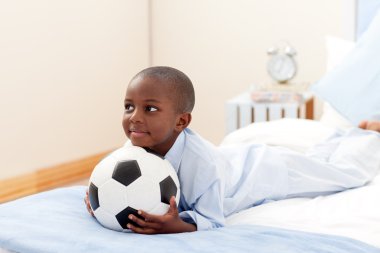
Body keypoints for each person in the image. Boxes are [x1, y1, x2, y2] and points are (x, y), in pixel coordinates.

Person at [85, 66, 380, 234]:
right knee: (314, 158)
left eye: (150, 109)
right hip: (234, 159)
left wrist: (176, 225)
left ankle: (366, 135)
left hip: (263, 171)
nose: (135, 117)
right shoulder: (135, 146)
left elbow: (212, 219)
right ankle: (344, 137)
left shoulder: (202, 164)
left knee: (340, 173)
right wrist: (101, 199)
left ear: (181, 121)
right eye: (128, 107)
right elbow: (116, 182)